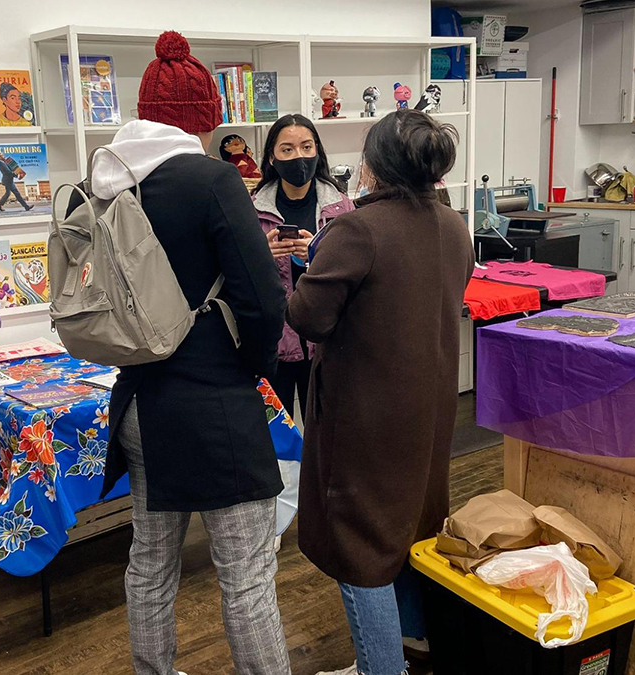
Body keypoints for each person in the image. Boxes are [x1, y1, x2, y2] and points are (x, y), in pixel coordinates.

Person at [85, 31, 290, 675]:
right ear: (202, 119)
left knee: (149, 563)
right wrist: (257, 367)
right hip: (215, 403)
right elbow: (261, 301)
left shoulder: (104, 181)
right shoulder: (211, 181)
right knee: (247, 576)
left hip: (141, 399)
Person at [288, 109, 473, 675]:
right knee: (412, 529)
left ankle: (380, 667)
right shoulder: (452, 224)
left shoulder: (358, 228)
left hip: (367, 415)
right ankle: (414, 645)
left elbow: (309, 318)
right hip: (428, 406)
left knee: (361, 548)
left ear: (376, 165)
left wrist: (296, 276)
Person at [252, 114, 353, 420]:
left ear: (318, 152)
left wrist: (318, 257)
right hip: (274, 343)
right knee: (275, 436)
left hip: (326, 341)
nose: (299, 157)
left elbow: (355, 273)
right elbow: (237, 277)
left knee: (325, 431)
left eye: (307, 147)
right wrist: (262, 256)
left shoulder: (341, 207)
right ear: (272, 157)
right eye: (287, 149)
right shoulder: (251, 208)